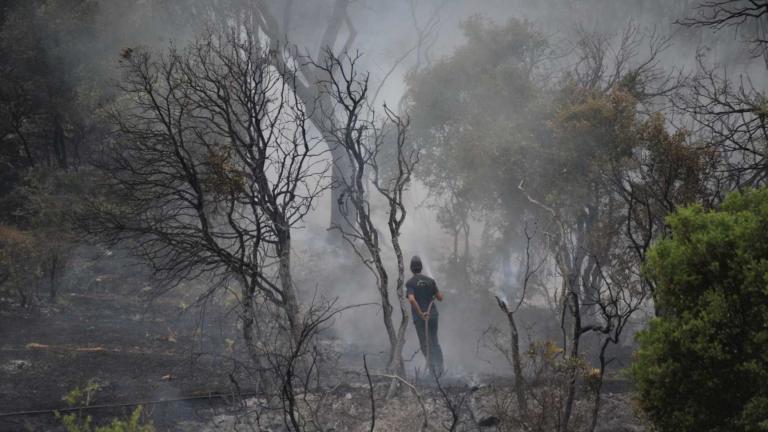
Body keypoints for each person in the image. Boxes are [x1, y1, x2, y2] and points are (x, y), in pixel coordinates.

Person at [405, 255, 444, 376]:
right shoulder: (430, 281)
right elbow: (440, 298)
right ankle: (440, 368)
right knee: (434, 341)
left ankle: (432, 370)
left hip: (421, 319)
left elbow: (411, 299)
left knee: (424, 343)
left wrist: (421, 313)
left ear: (411, 269)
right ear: (421, 268)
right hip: (433, 316)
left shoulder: (410, 283)